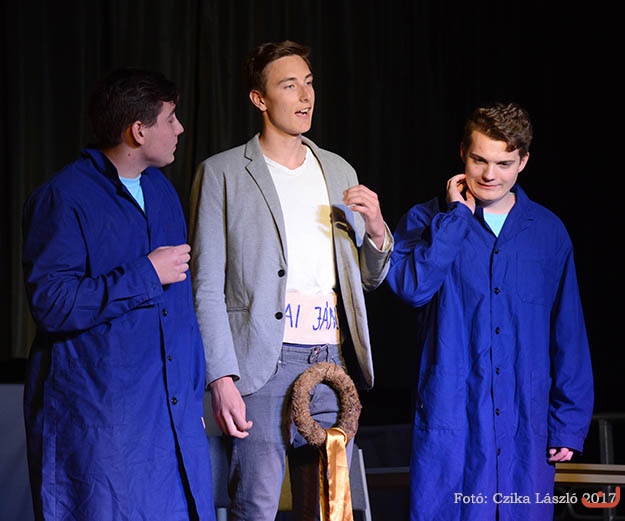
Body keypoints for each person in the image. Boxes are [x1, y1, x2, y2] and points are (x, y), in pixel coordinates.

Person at [189, 40, 393, 520]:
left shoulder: (338, 169)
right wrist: (221, 377)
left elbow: (367, 279)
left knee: (327, 505)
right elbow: (205, 287)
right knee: (256, 505)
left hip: (331, 358)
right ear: (259, 98)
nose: (305, 96)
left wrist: (378, 230)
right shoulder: (222, 173)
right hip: (262, 362)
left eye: (309, 83)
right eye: (289, 85)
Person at [21, 67, 217, 521]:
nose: (179, 129)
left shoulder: (162, 192)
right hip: (102, 421)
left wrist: (191, 395)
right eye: (170, 119)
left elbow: (179, 312)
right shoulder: (63, 198)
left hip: (168, 416)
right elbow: (53, 303)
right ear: (138, 130)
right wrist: (146, 272)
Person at [385, 101, 594, 520]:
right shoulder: (426, 219)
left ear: (523, 162)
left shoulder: (548, 233)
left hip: (525, 429)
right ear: (462, 152)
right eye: (479, 160)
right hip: (452, 423)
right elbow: (412, 290)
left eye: (504, 163)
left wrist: (569, 422)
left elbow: (568, 334)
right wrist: (455, 220)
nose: (489, 175)